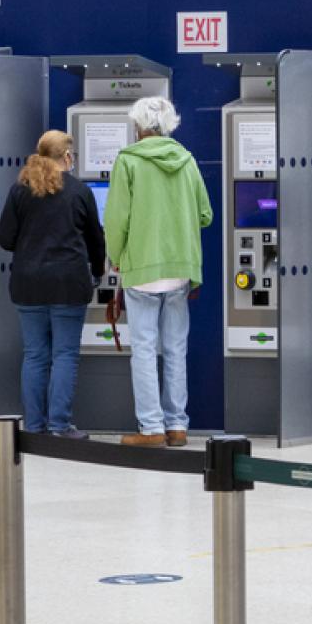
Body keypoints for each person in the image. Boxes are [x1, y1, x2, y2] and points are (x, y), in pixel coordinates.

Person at [105, 97, 212, 448]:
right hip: (181, 268)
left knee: (145, 349)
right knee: (176, 348)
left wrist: (116, 256)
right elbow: (205, 215)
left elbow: (117, 218)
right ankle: (178, 426)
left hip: (142, 268)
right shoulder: (187, 160)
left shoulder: (128, 161)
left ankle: (150, 428)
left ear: (138, 127)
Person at [0, 131, 102, 438]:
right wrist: (96, 271)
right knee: (65, 354)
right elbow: (96, 240)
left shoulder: (20, 190)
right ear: (67, 157)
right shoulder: (80, 191)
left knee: (34, 355)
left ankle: (34, 426)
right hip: (69, 283)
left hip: (28, 284)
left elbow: (4, 238)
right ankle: (59, 426)